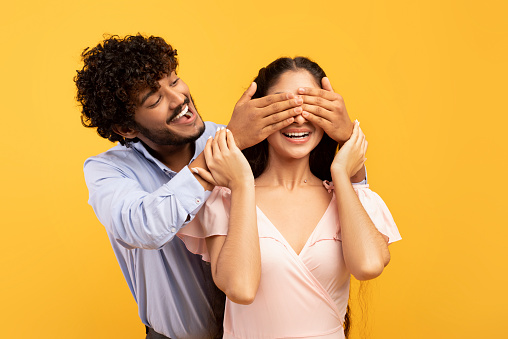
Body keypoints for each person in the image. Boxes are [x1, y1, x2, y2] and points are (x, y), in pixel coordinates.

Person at [75, 35, 359, 339]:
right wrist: (228, 148)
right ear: (127, 129)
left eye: (174, 80)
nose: (178, 99)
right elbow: (143, 228)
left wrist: (347, 139)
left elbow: (315, 192)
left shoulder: (231, 136)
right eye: (155, 100)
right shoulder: (109, 171)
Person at [178, 57, 401, 339]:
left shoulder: (348, 197)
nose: (298, 118)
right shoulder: (225, 200)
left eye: (310, 107)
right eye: (283, 107)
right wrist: (244, 183)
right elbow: (241, 288)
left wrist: (343, 172)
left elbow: (368, 266)